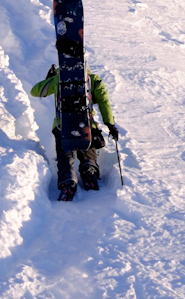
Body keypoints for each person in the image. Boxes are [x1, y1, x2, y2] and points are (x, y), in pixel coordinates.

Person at [31, 64, 119, 201]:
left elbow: (35, 91)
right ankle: (88, 169)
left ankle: (68, 181)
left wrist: (50, 78)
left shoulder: (59, 78)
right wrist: (110, 124)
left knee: (64, 155)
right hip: (87, 125)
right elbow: (104, 101)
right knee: (87, 149)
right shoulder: (93, 79)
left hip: (62, 126)